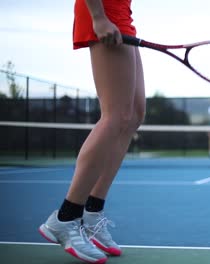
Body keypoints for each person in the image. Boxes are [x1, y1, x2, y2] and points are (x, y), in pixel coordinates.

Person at [38, 1, 145, 263]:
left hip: (120, 14)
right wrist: (98, 16)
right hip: (105, 12)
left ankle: (92, 213)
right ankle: (65, 216)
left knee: (132, 117)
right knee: (115, 115)